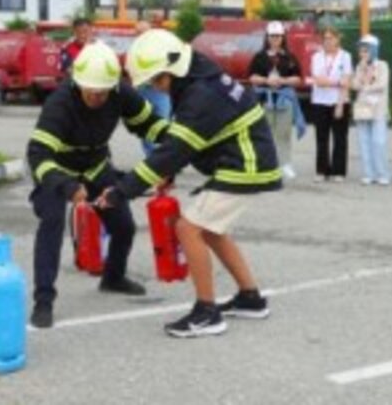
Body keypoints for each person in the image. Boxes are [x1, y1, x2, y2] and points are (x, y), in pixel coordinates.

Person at [99, 29, 279, 338]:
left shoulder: (200, 95)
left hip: (245, 165)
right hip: (244, 160)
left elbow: (173, 151)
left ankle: (207, 312)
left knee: (188, 227)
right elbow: (183, 143)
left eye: (157, 80)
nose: (157, 87)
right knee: (210, 229)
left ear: (173, 69)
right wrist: (168, 170)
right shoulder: (197, 72)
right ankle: (250, 298)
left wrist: (121, 192)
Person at [27, 40, 168, 329]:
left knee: (124, 227)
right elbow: (38, 155)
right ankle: (44, 300)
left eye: (101, 93)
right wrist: (66, 186)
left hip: (96, 166)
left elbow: (149, 124)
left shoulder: (121, 93)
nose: (95, 98)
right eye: (90, 93)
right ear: (78, 84)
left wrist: (176, 143)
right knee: (51, 224)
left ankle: (113, 278)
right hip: (57, 170)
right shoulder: (60, 103)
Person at [248, 21, 305, 179]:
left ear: (283, 37)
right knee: (265, 134)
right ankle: (266, 165)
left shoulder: (289, 57)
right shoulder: (259, 57)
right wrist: (267, 81)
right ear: (267, 37)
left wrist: (283, 81)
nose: (275, 39)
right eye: (272, 36)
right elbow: (252, 77)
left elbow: (298, 78)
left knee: (284, 134)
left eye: (278, 36)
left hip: (284, 100)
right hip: (264, 100)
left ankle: (285, 164)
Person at [307, 27, 352, 182]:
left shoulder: (345, 56)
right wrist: (337, 82)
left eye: (331, 38)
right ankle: (322, 170)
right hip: (320, 101)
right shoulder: (316, 57)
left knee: (340, 137)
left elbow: (346, 82)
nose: (328, 41)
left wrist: (340, 104)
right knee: (321, 137)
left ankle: (338, 171)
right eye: (325, 38)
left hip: (339, 102)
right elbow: (318, 81)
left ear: (338, 39)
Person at [351, 34, 390, 186]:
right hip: (363, 109)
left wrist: (365, 87)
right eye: (361, 50)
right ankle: (368, 173)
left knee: (378, 142)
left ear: (374, 50)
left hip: (378, 109)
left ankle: (382, 174)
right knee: (363, 142)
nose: (363, 53)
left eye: (366, 50)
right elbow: (354, 85)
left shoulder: (383, 65)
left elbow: (381, 85)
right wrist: (361, 69)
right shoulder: (359, 66)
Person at [135, 20, 173, 155]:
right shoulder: (134, 51)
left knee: (163, 125)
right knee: (145, 126)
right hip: (142, 91)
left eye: (144, 32)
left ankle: (168, 157)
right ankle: (152, 158)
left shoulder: (161, 47)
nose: (141, 35)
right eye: (138, 33)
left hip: (160, 92)